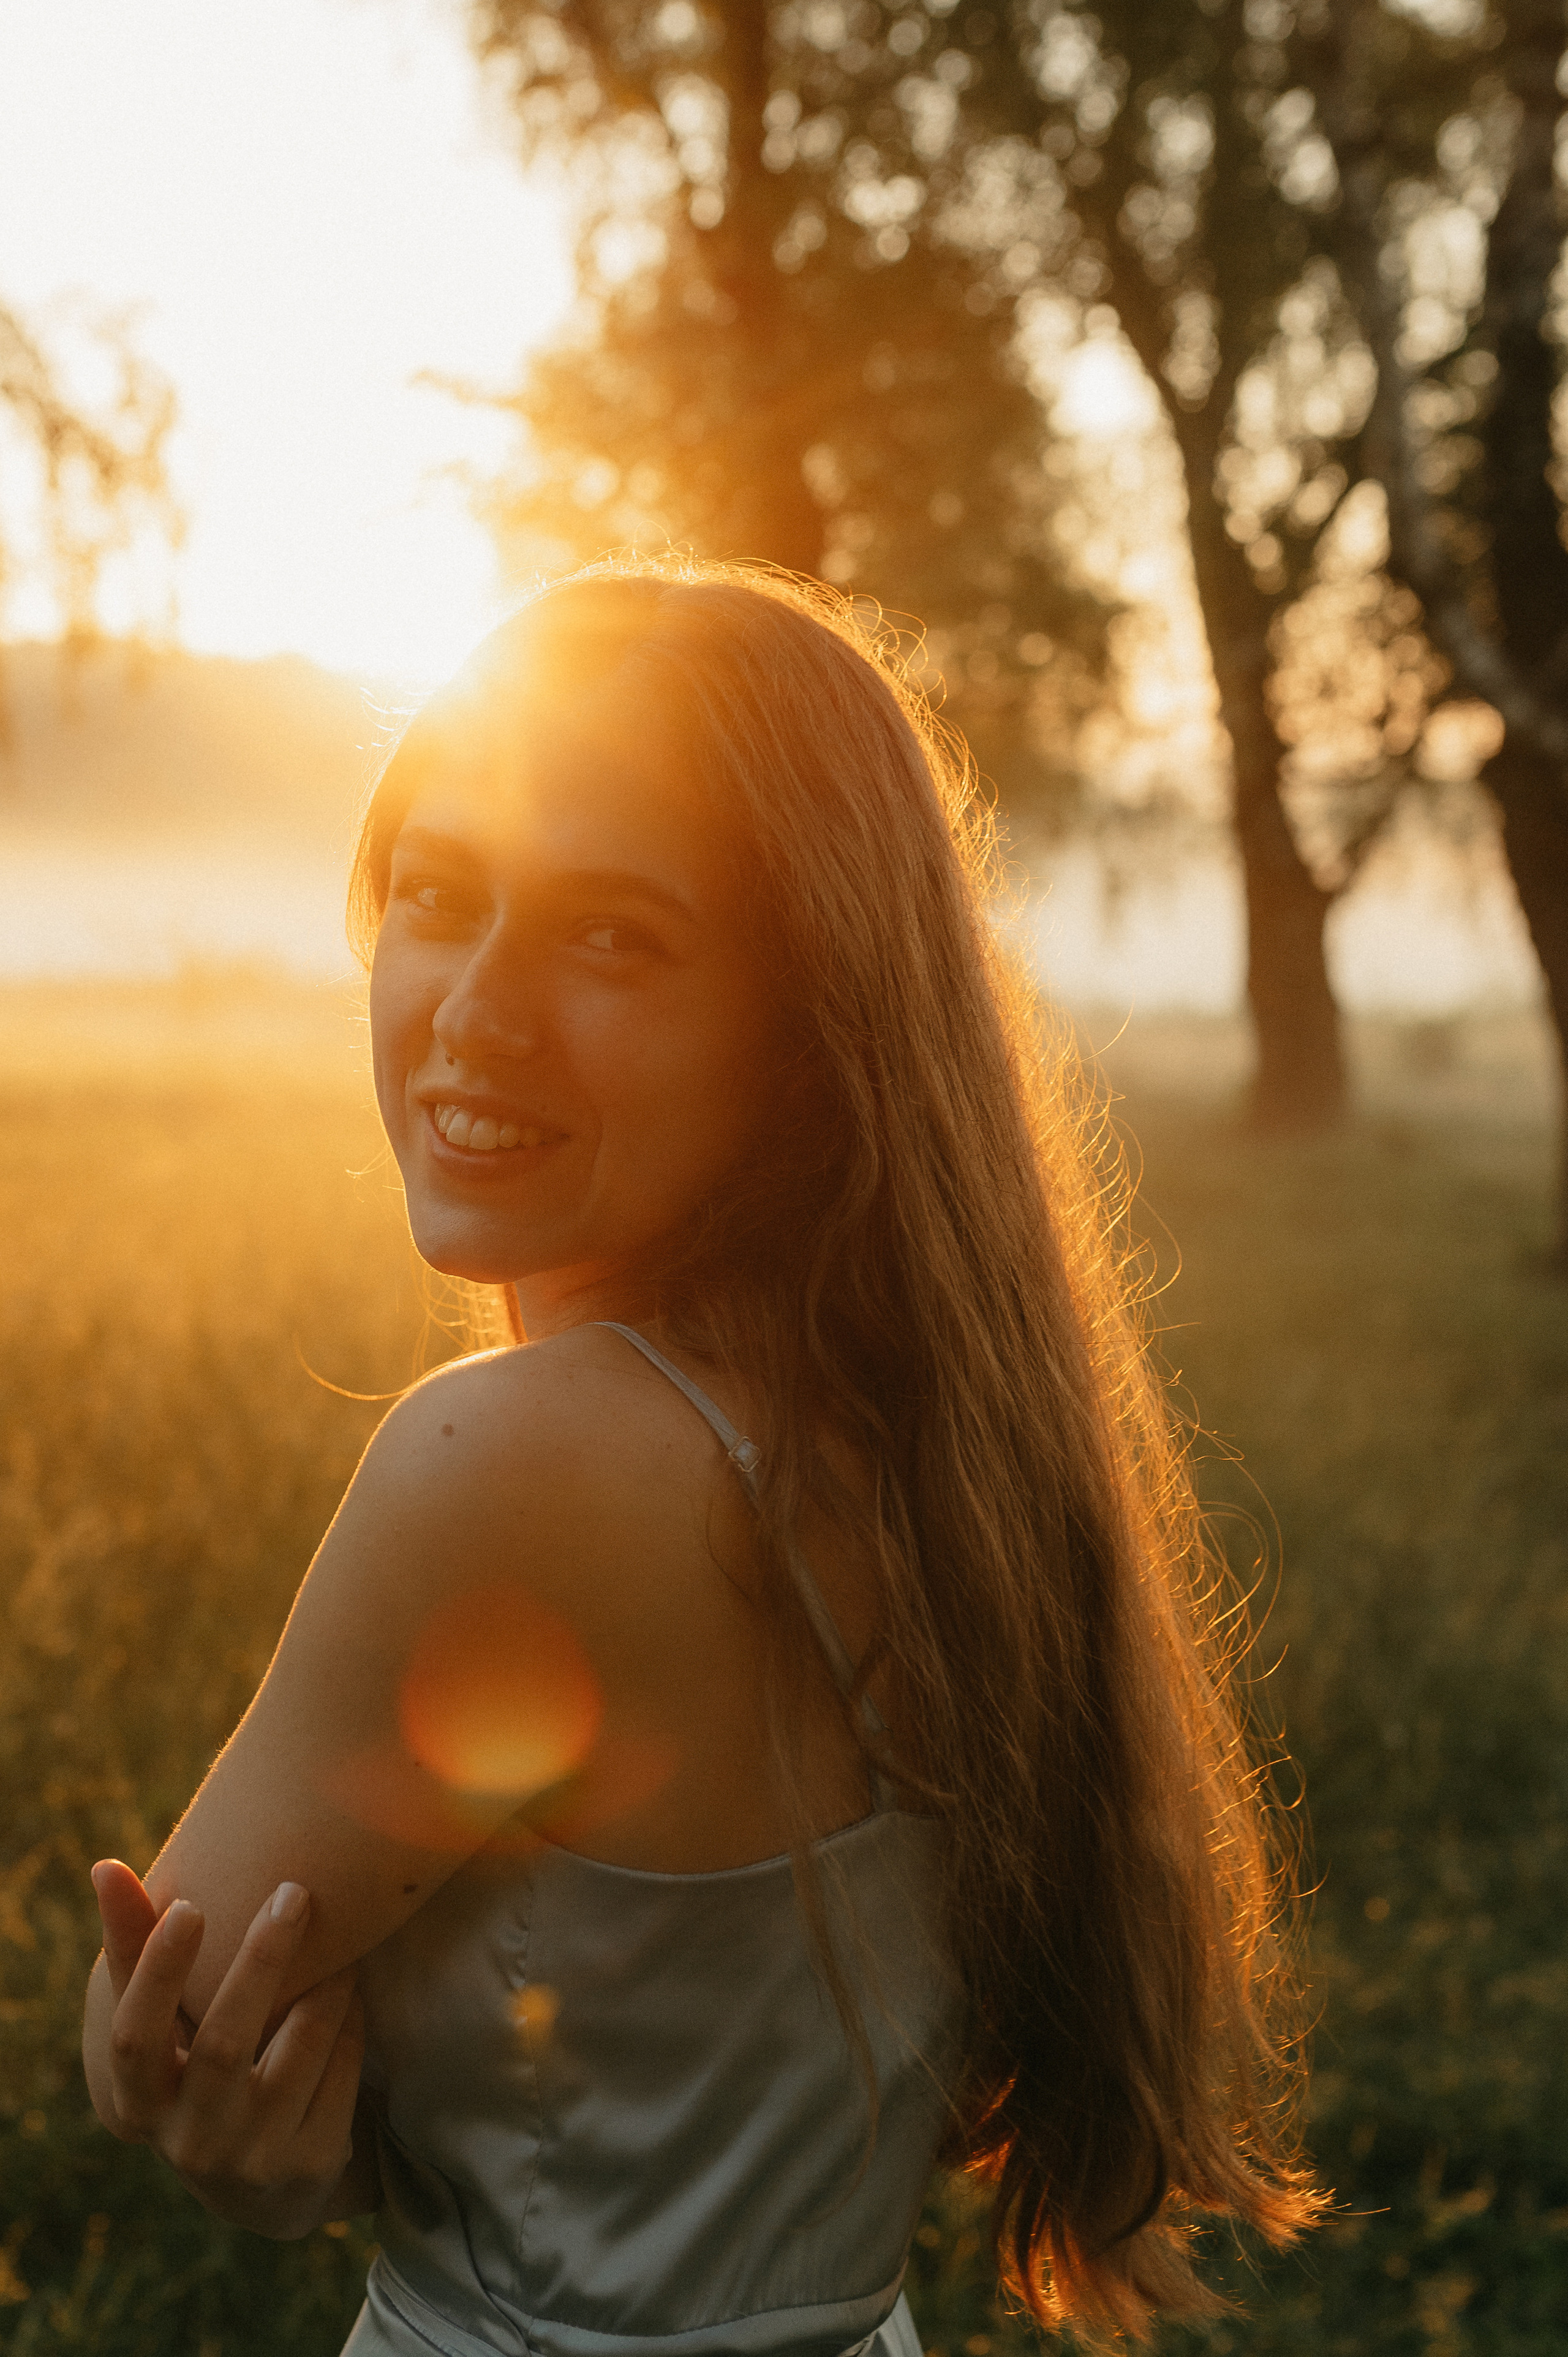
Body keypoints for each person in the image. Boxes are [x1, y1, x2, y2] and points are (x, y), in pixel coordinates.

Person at [82, 562, 1321, 2353]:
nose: (475, 1012)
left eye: (611, 936)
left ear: (808, 1030)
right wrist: (309, 2142)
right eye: (437, 896)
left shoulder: (515, 1461)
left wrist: (228, 2121)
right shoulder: (964, 1437)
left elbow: (160, 2021)